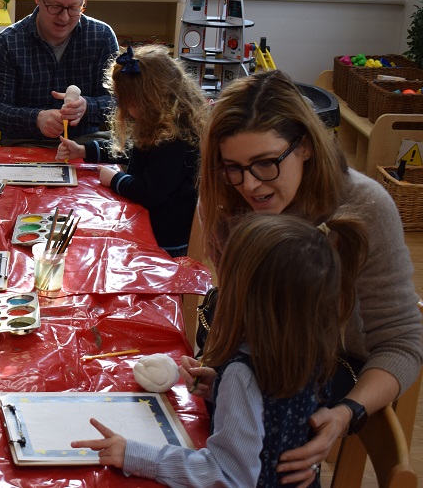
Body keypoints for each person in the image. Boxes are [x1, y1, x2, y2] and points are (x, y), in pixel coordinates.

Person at [187, 69, 423, 485]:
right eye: (233, 168)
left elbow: (402, 342)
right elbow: (248, 319)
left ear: (307, 147)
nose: (249, 185)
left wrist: (347, 412)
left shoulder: (365, 207)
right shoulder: (225, 198)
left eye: (265, 164)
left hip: (331, 378)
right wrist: (231, 376)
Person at [71, 212, 367, 487]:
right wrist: (220, 392)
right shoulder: (312, 349)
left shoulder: (242, 374)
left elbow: (226, 475)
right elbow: (275, 419)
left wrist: (134, 455)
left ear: (247, 300)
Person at [55, 44, 208, 257]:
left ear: (149, 99)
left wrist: (116, 179)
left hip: (166, 240)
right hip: (151, 224)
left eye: (127, 102)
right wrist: (83, 150)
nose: (124, 109)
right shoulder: (160, 122)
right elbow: (131, 150)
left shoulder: (175, 139)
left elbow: (150, 192)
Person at [0, 0, 119, 147]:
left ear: (84, 0)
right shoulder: (7, 43)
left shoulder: (102, 37)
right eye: (55, 7)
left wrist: (87, 106)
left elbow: (119, 102)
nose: (64, 17)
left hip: (85, 146)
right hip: (26, 143)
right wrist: (36, 119)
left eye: (74, 7)